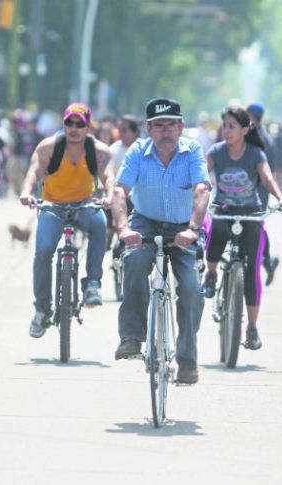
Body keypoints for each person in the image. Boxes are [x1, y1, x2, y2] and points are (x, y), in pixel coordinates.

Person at [110, 97, 210, 384]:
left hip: (183, 226)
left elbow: (202, 189)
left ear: (181, 127)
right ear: (148, 129)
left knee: (191, 289)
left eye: (171, 125)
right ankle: (131, 336)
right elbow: (119, 192)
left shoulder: (192, 151)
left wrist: (193, 228)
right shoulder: (137, 152)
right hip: (145, 221)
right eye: (158, 126)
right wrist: (123, 228)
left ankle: (188, 360)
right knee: (135, 262)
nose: (165, 132)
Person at [202, 106, 282, 351]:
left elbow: (266, 177)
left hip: (251, 213)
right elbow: (201, 173)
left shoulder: (256, 154)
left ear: (245, 130)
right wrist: (193, 189)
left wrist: (281, 198)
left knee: (252, 270)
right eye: (224, 125)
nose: (226, 130)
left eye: (232, 126)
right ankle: (211, 274)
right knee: (217, 229)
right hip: (224, 208)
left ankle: (252, 328)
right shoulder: (216, 151)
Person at [19, 102, 114, 338]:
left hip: (84, 204)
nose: (74, 128)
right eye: (69, 123)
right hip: (53, 206)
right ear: (64, 124)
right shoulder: (49, 147)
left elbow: (108, 176)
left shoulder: (99, 150)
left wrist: (110, 196)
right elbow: (34, 172)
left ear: (88, 126)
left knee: (100, 223)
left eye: (79, 124)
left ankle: (92, 283)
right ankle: (42, 310)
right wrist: (26, 192)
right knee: (43, 251)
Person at [246, 102, 280, 285]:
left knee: (255, 227)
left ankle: (266, 261)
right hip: (255, 189)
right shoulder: (264, 136)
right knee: (254, 227)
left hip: (257, 190)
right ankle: (267, 262)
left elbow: (267, 169)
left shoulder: (259, 137)